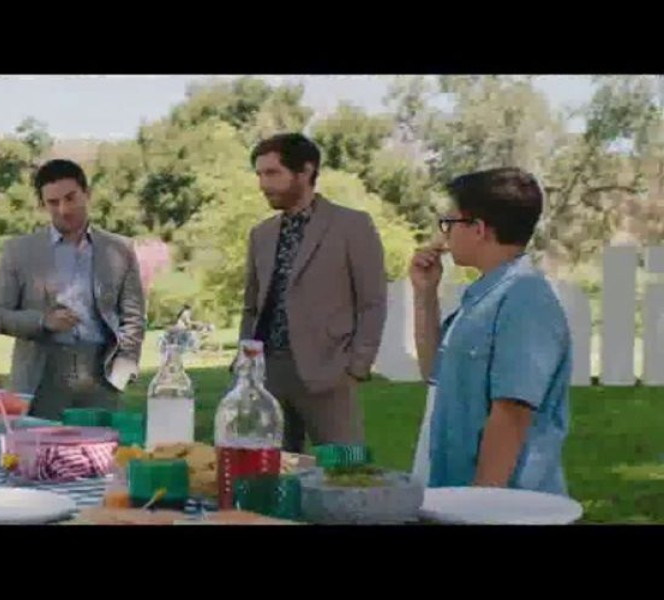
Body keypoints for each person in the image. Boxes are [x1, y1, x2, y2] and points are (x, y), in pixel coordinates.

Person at [409, 167, 571, 496]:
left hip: (503, 505)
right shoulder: (484, 296)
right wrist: (425, 294)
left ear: (478, 228)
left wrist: (481, 503)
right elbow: (433, 373)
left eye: (450, 223)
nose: (445, 235)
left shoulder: (525, 299)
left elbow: (512, 413)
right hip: (453, 491)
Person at [238, 133, 387, 453]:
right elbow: (251, 305)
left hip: (328, 371)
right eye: (259, 174)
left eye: (272, 173)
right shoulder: (261, 234)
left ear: (305, 171)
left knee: (344, 470)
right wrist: (244, 364)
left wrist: (356, 367)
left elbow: (372, 302)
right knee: (263, 469)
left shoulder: (352, 225)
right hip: (265, 374)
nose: (263, 184)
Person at [0, 159, 146, 420]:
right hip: (40, 375)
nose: (64, 209)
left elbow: (133, 317)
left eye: (71, 198)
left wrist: (123, 368)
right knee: (39, 445)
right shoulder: (18, 251)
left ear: (87, 193)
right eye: (53, 202)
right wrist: (43, 321)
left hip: (101, 375)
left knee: (101, 445)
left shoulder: (120, 250)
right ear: (42, 204)